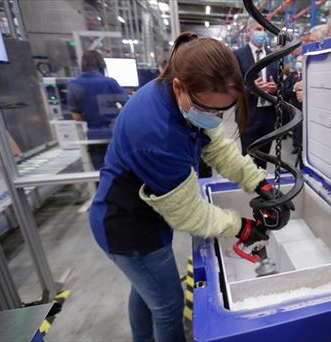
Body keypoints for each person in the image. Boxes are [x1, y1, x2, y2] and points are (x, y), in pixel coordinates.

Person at [89, 32, 291, 342]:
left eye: (222, 111)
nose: (214, 118)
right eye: (209, 111)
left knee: (145, 290)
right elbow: (189, 214)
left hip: (147, 211)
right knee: (168, 305)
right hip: (127, 226)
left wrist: (260, 184)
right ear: (180, 88)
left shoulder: (177, 96)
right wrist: (243, 228)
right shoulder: (158, 136)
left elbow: (217, 148)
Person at [67, 50, 128, 170]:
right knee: (121, 174)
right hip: (114, 135)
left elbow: (76, 116)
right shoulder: (110, 82)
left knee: (100, 174)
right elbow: (128, 106)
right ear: (101, 64)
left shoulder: (74, 85)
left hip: (94, 138)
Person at [233, 18, 279, 169]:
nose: (262, 33)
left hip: (268, 114)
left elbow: (280, 85)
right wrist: (250, 88)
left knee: (263, 157)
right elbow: (232, 86)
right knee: (248, 158)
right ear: (248, 32)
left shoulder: (273, 56)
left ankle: (262, 188)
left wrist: (275, 88)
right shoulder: (238, 55)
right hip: (248, 114)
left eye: (265, 30)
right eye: (258, 29)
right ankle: (249, 187)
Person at [283, 55, 303, 154]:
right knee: (296, 126)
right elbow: (285, 91)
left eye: (301, 61)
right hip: (295, 105)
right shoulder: (291, 76)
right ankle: (296, 145)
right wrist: (294, 88)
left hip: (306, 106)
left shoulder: (309, 74)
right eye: (298, 61)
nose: (299, 63)